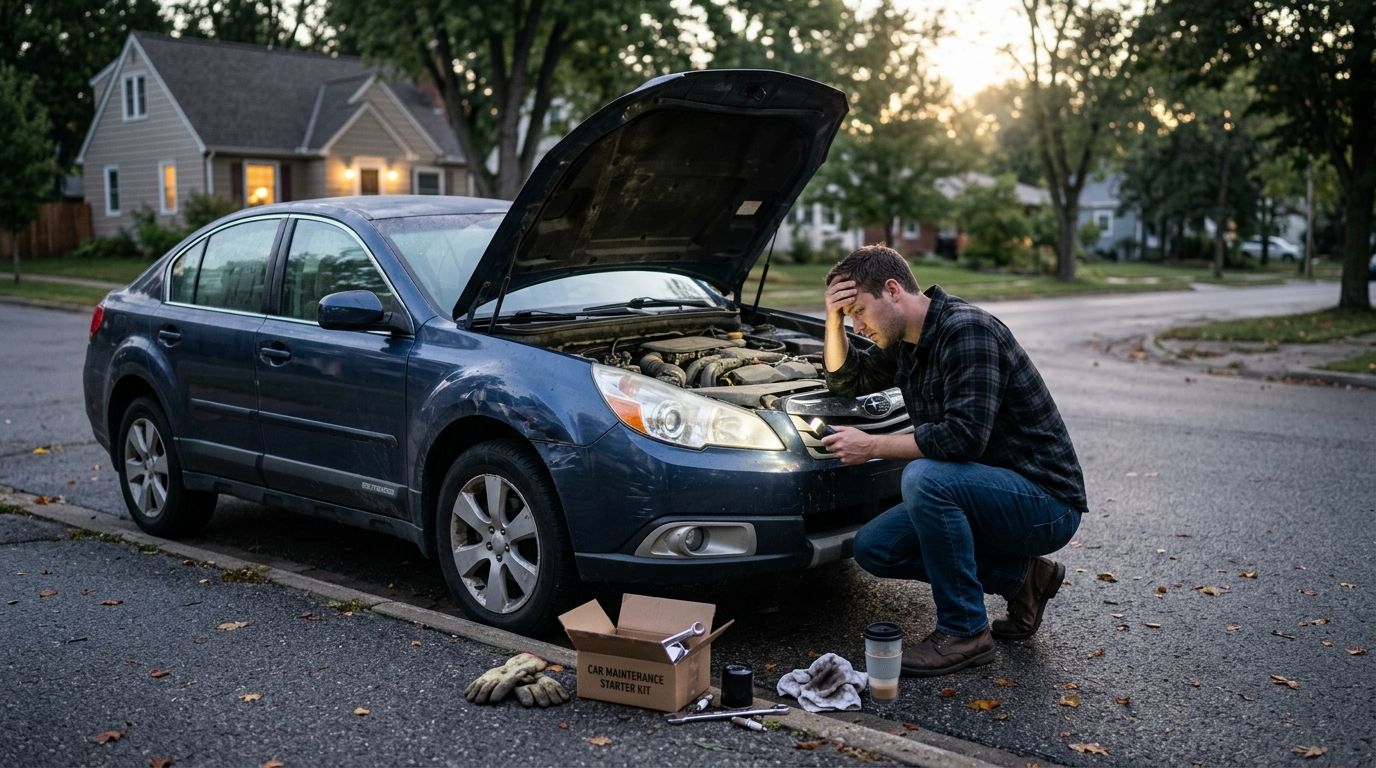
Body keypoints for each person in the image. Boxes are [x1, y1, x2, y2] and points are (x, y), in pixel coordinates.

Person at [821, 245, 1087, 677]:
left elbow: (963, 438)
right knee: (875, 548)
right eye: (849, 317)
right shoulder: (907, 340)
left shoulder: (967, 331)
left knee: (926, 478)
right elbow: (847, 381)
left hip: (1045, 502)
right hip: (988, 491)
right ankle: (1023, 578)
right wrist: (832, 322)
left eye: (859, 312)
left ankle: (965, 630)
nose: (858, 326)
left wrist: (872, 446)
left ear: (893, 290)